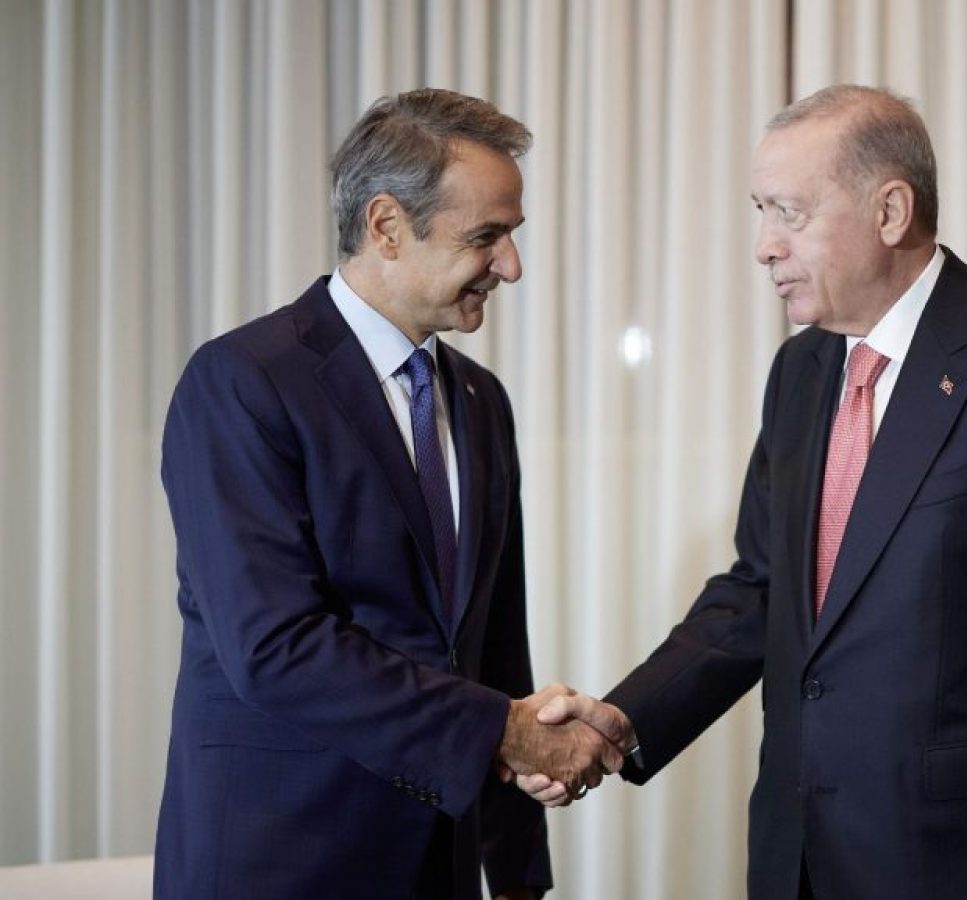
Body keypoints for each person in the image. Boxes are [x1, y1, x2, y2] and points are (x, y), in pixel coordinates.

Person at [518, 85, 967, 899]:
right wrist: (623, 720)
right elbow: (762, 591)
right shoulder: (800, 370)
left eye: (789, 213)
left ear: (890, 212)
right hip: (801, 858)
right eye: (760, 211)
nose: (764, 246)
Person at [153, 88, 621, 900]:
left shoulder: (480, 400)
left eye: (512, 234)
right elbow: (275, 646)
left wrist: (515, 868)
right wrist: (505, 733)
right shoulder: (242, 382)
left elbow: (493, 645)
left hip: (440, 863)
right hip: (281, 862)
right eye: (486, 236)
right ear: (386, 226)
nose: (511, 265)